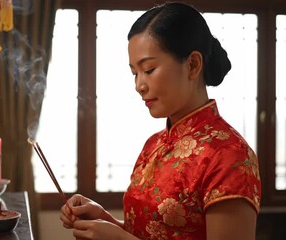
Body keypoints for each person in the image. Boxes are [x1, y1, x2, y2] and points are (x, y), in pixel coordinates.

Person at [60, 2, 261, 240]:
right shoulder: (153, 145)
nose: (139, 86)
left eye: (149, 69)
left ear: (193, 65)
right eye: (135, 73)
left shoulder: (229, 155)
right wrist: (105, 219)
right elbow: (153, 232)